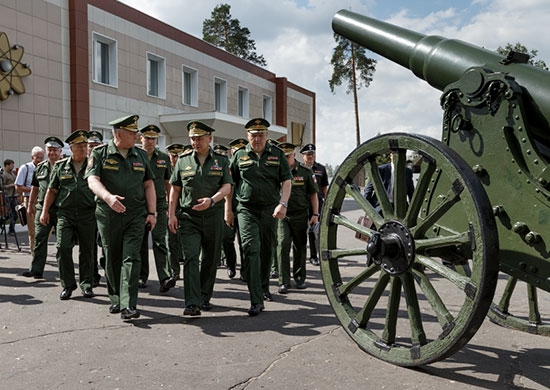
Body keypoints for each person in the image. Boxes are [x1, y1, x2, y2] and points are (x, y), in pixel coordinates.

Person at [85, 114, 157, 320]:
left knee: (131, 258)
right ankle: (116, 297)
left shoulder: (141, 155)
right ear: (119, 134)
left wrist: (152, 213)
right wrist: (108, 198)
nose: (137, 136)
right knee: (112, 257)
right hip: (109, 215)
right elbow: (92, 180)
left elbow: (149, 184)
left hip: (136, 215)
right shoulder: (100, 154)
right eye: (133, 133)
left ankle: (128, 304)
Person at [168, 121, 233, 316]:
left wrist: (212, 201)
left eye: (199, 138)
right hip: (189, 218)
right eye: (192, 138)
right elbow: (175, 189)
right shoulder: (183, 160)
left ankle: (204, 296)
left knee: (211, 259)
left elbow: (227, 187)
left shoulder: (221, 161)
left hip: (213, 216)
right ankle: (192, 303)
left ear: (209, 139)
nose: (195, 142)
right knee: (191, 258)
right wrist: (171, 214)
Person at [229, 118, 292, 316]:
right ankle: (255, 299)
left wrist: (283, 203)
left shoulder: (277, 154)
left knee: (267, 249)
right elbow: (230, 184)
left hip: (270, 209)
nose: (257, 138)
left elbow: (287, 180)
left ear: (267, 135)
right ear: (247, 136)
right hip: (246, 209)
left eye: (261, 134)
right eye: (253, 135)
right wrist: (228, 210)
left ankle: (264, 285)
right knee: (250, 249)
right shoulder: (239, 155)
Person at [40, 131, 96, 300]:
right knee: (63, 247)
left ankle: (87, 284)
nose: (83, 148)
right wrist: (44, 211)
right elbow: (51, 190)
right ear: (71, 148)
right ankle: (68, 284)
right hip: (65, 213)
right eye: (79, 146)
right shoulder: (60, 166)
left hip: (88, 213)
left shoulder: (93, 165)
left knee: (87, 250)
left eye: (85, 145)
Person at [275, 143, 319, 294]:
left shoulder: (305, 172)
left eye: (288, 156)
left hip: (300, 215)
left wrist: (315, 214)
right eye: (283, 156)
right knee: (282, 244)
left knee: (300, 247)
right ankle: (283, 281)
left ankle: (300, 278)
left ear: (294, 155)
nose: (286, 159)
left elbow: (313, 194)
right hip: (283, 215)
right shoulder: (276, 171)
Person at [138, 124, 177, 292]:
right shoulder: (136, 156)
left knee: (160, 240)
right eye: (147, 138)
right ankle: (141, 276)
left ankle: (164, 277)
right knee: (140, 242)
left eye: (153, 138)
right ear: (141, 139)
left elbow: (168, 183)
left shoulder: (163, 157)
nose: (150, 141)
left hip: (160, 204)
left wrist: (170, 205)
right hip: (139, 204)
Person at [21, 137, 63, 279]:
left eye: (55, 150)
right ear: (46, 151)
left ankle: (65, 273)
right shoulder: (40, 167)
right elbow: (35, 187)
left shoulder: (66, 166)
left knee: (62, 242)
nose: (52, 152)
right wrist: (31, 205)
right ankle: (36, 270)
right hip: (42, 208)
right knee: (39, 238)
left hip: (61, 209)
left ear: (60, 151)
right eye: (49, 150)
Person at [223, 138, 248, 280]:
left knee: (244, 241)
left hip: (244, 207)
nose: (238, 152)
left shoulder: (247, 165)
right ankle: (231, 265)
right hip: (229, 207)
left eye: (241, 149)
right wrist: (227, 209)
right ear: (231, 151)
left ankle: (245, 270)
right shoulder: (226, 166)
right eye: (235, 149)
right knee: (227, 239)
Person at [300, 143, 329, 266]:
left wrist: (326, 202)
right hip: (302, 203)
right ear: (303, 156)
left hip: (317, 204)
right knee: (301, 231)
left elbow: (324, 187)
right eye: (308, 155)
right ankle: (300, 256)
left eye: (312, 154)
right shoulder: (299, 169)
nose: (310, 157)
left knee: (313, 231)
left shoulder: (321, 169)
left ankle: (313, 256)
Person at [15, 146, 45, 255]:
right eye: (38, 157)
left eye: (42, 157)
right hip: (29, 201)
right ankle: (35, 254)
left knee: (47, 228)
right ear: (32, 157)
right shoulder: (25, 168)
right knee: (33, 230)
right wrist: (34, 190)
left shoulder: (45, 167)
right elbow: (18, 186)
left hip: (44, 201)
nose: (40, 160)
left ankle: (41, 250)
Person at [87, 130, 105, 287]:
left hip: (104, 210)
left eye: (95, 145)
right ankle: (93, 275)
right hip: (87, 212)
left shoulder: (106, 162)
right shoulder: (80, 163)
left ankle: (108, 267)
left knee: (106, 243)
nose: (92, 148)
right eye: (90, 145)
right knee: (90, 245)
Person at [165, 143, 185, 280]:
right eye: (173, 156)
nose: (176, 158)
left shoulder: (186, 167)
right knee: (171, 240)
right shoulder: (166, 169)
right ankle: (174, 270)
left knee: (184, 239)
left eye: (178, 156)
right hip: (170, 207)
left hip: (184, 207)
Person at [2, 159, 18, 235]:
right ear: (7, 165)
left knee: (14, 213)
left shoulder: (12, 174)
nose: (13, 166)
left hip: (14, 195)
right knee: (10, 214)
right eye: (11, 165)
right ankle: (10, 230)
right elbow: (1, 186)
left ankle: (11, 229)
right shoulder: (4, 175)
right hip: (8, 196)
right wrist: (11, 185)